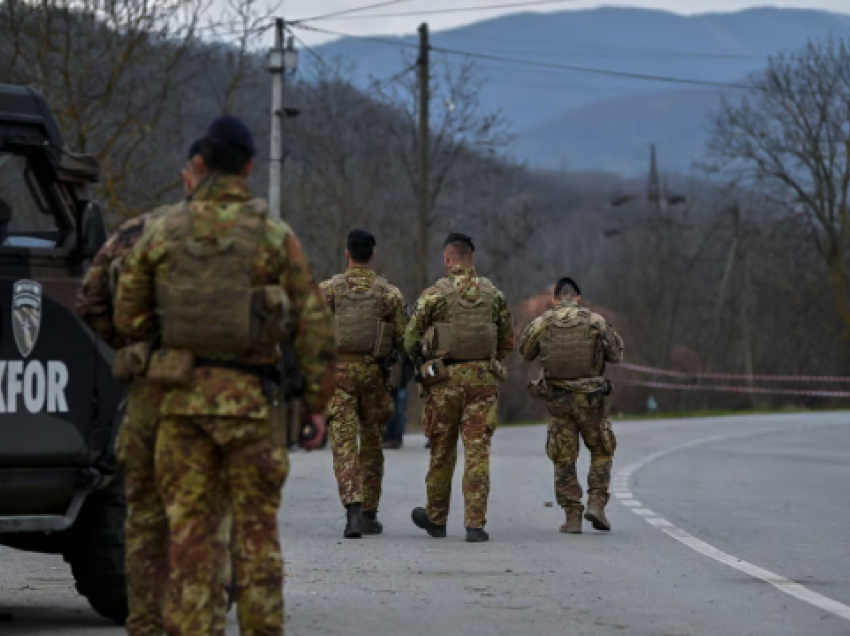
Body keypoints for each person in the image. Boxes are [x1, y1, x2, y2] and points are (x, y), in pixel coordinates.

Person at [114, 116, 336, 636]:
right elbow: (314, 326)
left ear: (199, 165)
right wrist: (313, 404)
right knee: (257, 544)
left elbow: (128, 317)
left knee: (191, 545)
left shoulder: (163, 231)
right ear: (251, 167)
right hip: (252, 410)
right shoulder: (273, 235)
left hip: (180, 411)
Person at [76, 139, 221, 636]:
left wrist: (130, 349)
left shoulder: (136, 232)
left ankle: (145, 618)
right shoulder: (257, 235)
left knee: (141, 513)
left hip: (148, 394)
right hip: (219, 396)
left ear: (188, 176)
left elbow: (91, 301)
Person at [405, 233, 515, 543]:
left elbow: (410, 337)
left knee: (442, 451)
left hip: (444, 382)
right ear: (472, 258)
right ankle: (475, 524)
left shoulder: (435, 295)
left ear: (447, 258)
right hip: (483, 382)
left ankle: (436, 519)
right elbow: (507, 340)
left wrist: (423, 362)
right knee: (477, 452)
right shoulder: (493, 294)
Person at [518, 277, 624, 534]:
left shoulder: (542, 322)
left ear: (555, 299)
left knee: (563, 457)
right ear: (578, 298)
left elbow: (525, 351)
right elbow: (617, 354)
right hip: (592, 401)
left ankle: (572, 516)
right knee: (601, 451)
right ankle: (597, 503)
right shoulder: (595, 321)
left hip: (559, 399)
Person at [319, 229, 407, 538]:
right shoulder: (389, 293)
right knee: (372, 444)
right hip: (373, 376)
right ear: (372, 254)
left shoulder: (329, 290)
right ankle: (369, 513)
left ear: (347, 253)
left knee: (343, 443)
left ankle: (352, 511)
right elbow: (404, 338)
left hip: (338, 375)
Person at [383, 354, 415, 449]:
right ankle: (388, 437)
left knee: (399, 412)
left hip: (401, 385)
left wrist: (406, 378)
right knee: (387, 411)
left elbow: (410, 364)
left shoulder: (402, 351)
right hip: (386, 385)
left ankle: (397, 438)